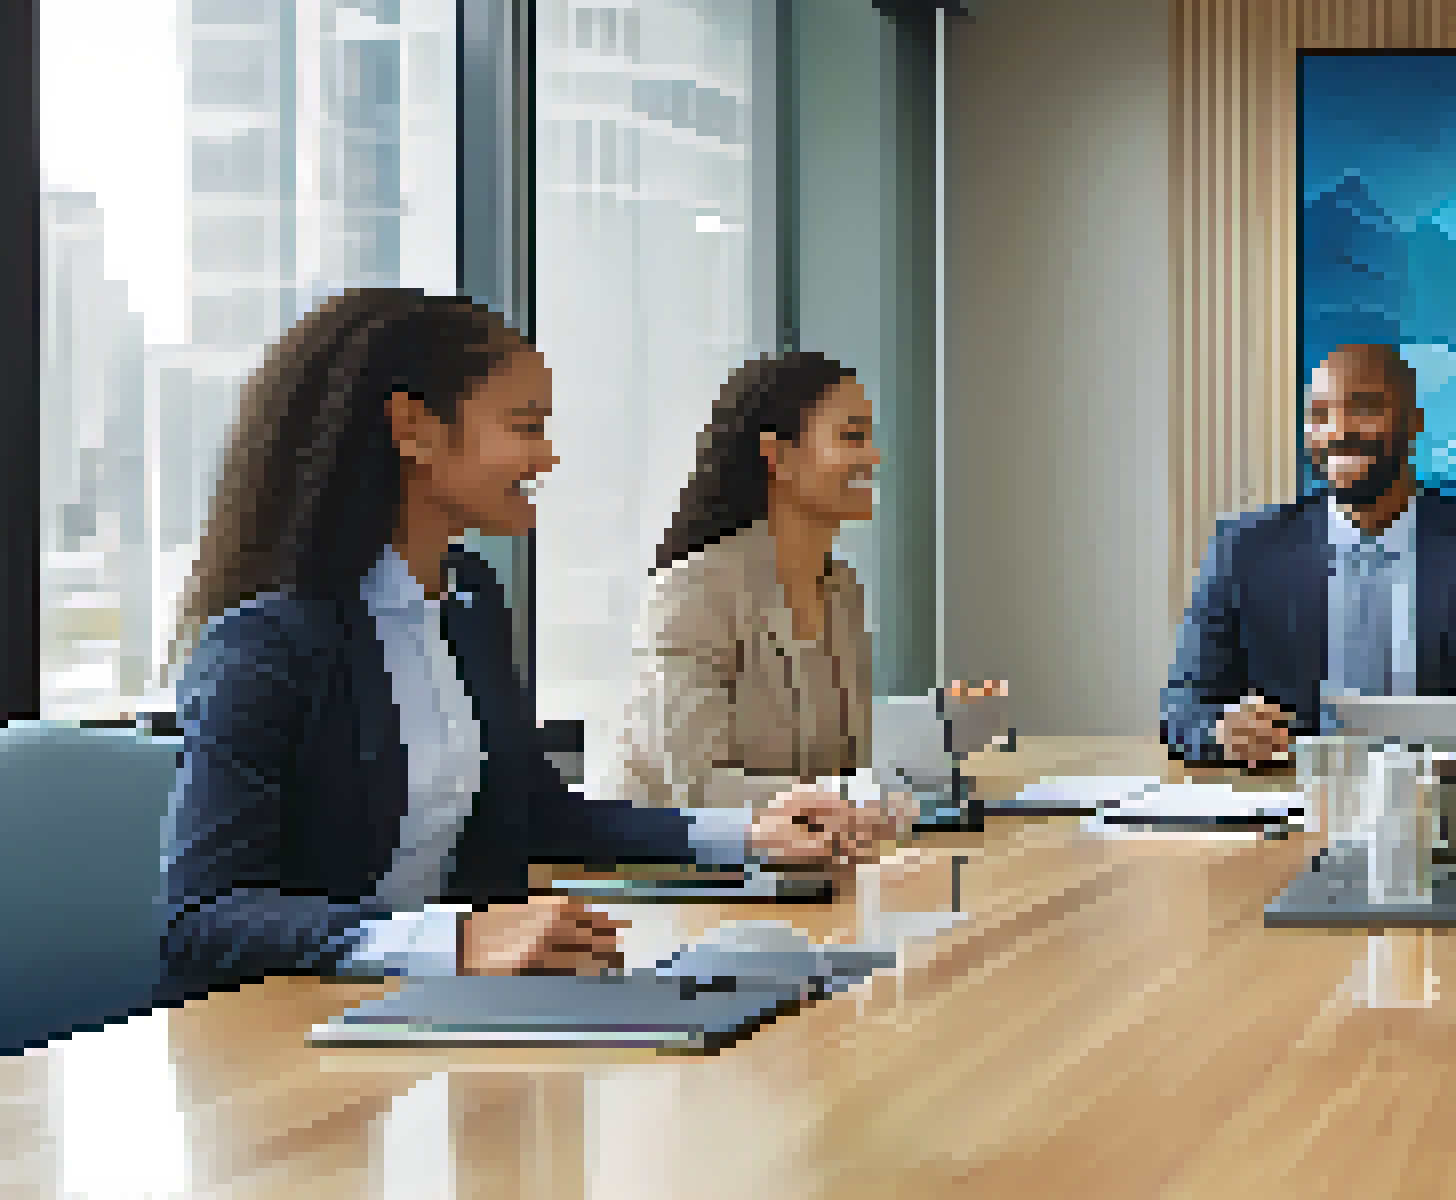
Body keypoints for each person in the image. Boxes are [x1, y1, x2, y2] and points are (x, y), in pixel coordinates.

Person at [159, 289, 877, 1001]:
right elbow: (204, 917)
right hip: (288, 1029)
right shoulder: (264, 647)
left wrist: (749, 834)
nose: (547, 456)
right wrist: (458, 938)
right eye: (525, 426)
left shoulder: (467, 602)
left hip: (440, 1014)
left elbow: (537, 814)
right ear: (415, 430)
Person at [617, 350, 1003, 811]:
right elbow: (699, 791)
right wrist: (864, 799)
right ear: (778, 454)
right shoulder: (692, 594)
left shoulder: (842, 592)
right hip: (666, 874)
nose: (874, 456)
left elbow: (845, 770)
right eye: (851, 436)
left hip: (791, 864)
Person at [1161, 343, 1456, 767]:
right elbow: (1181, 707)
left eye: (1364, 408)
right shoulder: (1243, 549)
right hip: (1292, 807)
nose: (1337, 432)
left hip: (1450, 808)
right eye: (1319, 415)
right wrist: (1222, 730)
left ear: (1414, 423)